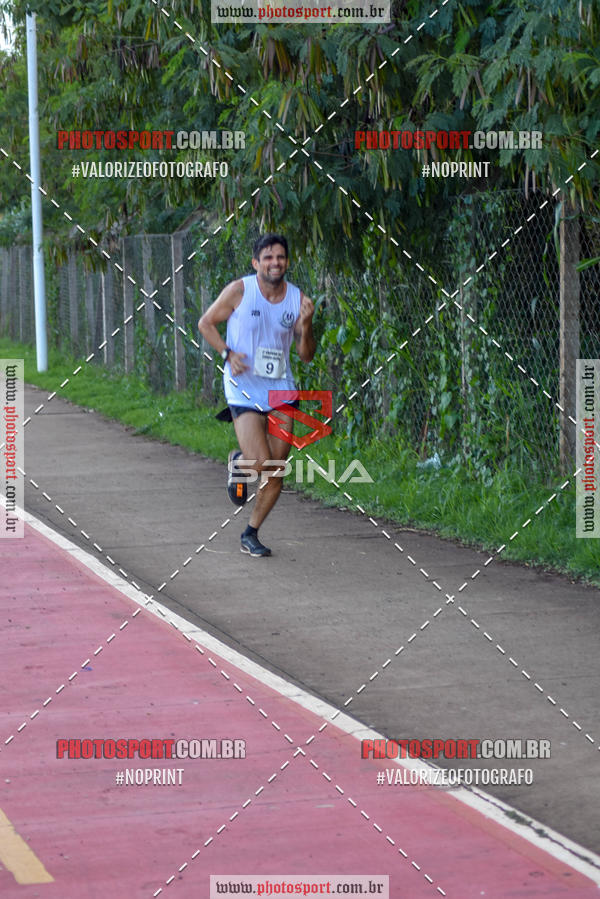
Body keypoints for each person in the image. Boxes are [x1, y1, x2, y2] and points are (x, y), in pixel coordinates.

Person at [197, 234, 316, 557]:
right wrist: (226, 353)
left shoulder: (297, 300)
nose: (274, 262)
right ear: (256, 263)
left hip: (281, 390)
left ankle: (251, 533)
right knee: (261, 462)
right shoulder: (240, 290)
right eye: (268, 257)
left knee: (276, 471)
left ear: (287, 262)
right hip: (243, 386)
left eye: (280, 257)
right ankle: (240, 463)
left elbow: (306, 355)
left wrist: (307, 323)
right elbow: (206, 323)